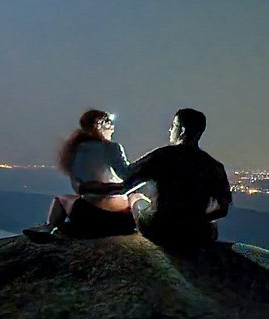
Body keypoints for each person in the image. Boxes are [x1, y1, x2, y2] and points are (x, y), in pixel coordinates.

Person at [79, 108, 231, 252]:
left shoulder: (162, 156)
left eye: (174, 126)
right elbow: (222, 209)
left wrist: (91, 187)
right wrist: (195, 220)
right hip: (196, 234)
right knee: (212, 225)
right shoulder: (214, 166)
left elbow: (126, 183)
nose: (170, 130)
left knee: (135, 196)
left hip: (159, 229)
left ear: (182, 131)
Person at [22, 109, 144, 242]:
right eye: (109, 123)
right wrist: (146, 165)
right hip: (121, 219)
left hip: (86, 216)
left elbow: (78, 188)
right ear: (99, 125)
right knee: (137, 196)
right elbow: (126, 174)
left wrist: (96, 187)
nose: (113, 128)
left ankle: (49, 227)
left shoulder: (73, 151)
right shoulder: (112, 148)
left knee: (60, 199)